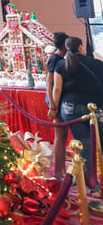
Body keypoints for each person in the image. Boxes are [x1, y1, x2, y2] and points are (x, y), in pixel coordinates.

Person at [51, 36, 103, 187]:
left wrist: (53, 108)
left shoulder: (61, 65)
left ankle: (93, 187)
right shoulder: (97, 63)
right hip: (96, 107)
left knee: (85, 145)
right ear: (81, 47)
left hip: (70, 109)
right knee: (101, 142)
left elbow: (57, 88)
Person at [46, 32, 68, 177]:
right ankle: (59, 172)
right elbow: (50, 84)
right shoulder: (54, 59)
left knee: (62, 136)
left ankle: (62, 170)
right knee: (59, 136)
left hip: (58, 99)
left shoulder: (59, 58)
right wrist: (53, 106)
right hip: (55, 99)